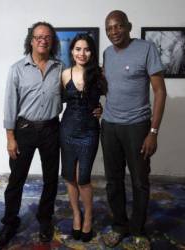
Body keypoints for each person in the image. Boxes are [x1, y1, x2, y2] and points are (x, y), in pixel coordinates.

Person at [101, 10, 167, 247]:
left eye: (118, 26)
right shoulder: (107, 54)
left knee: (139, 181)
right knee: (113, 181)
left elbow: (160, 91)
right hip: (109, 127)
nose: (113, 32)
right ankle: (119, 225)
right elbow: (109, 88)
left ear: (128, 26)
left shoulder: (146, 49)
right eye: (109, 28)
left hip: (137, 127)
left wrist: (153, 132)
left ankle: (138, 230)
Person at [0, 21, 63, 249]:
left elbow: (70, 97)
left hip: (52, 129)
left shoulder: (60, 68)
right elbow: (9, 105)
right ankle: (10, 222)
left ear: (52, 42)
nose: (43, 40)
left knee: (51, 179)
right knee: (16, 180)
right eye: (38, 37)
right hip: (24, 130)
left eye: (47, 37)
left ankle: (45, 220)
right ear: (31, 41)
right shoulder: (17, 69)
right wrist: (10, 138)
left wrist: (94, 107)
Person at [60, 33, 107, 242]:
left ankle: (88, 215)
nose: (82, 53)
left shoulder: (100, 74)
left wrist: (101, 108)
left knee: (83, 178)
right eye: (78, 49)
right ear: (72, 51)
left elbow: (112, 98)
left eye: (86, 49)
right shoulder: (64, 74)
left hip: (89, 132)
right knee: (70, 176)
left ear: (92, 52)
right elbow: (57, 102)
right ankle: (76, 215)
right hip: (67, 130)